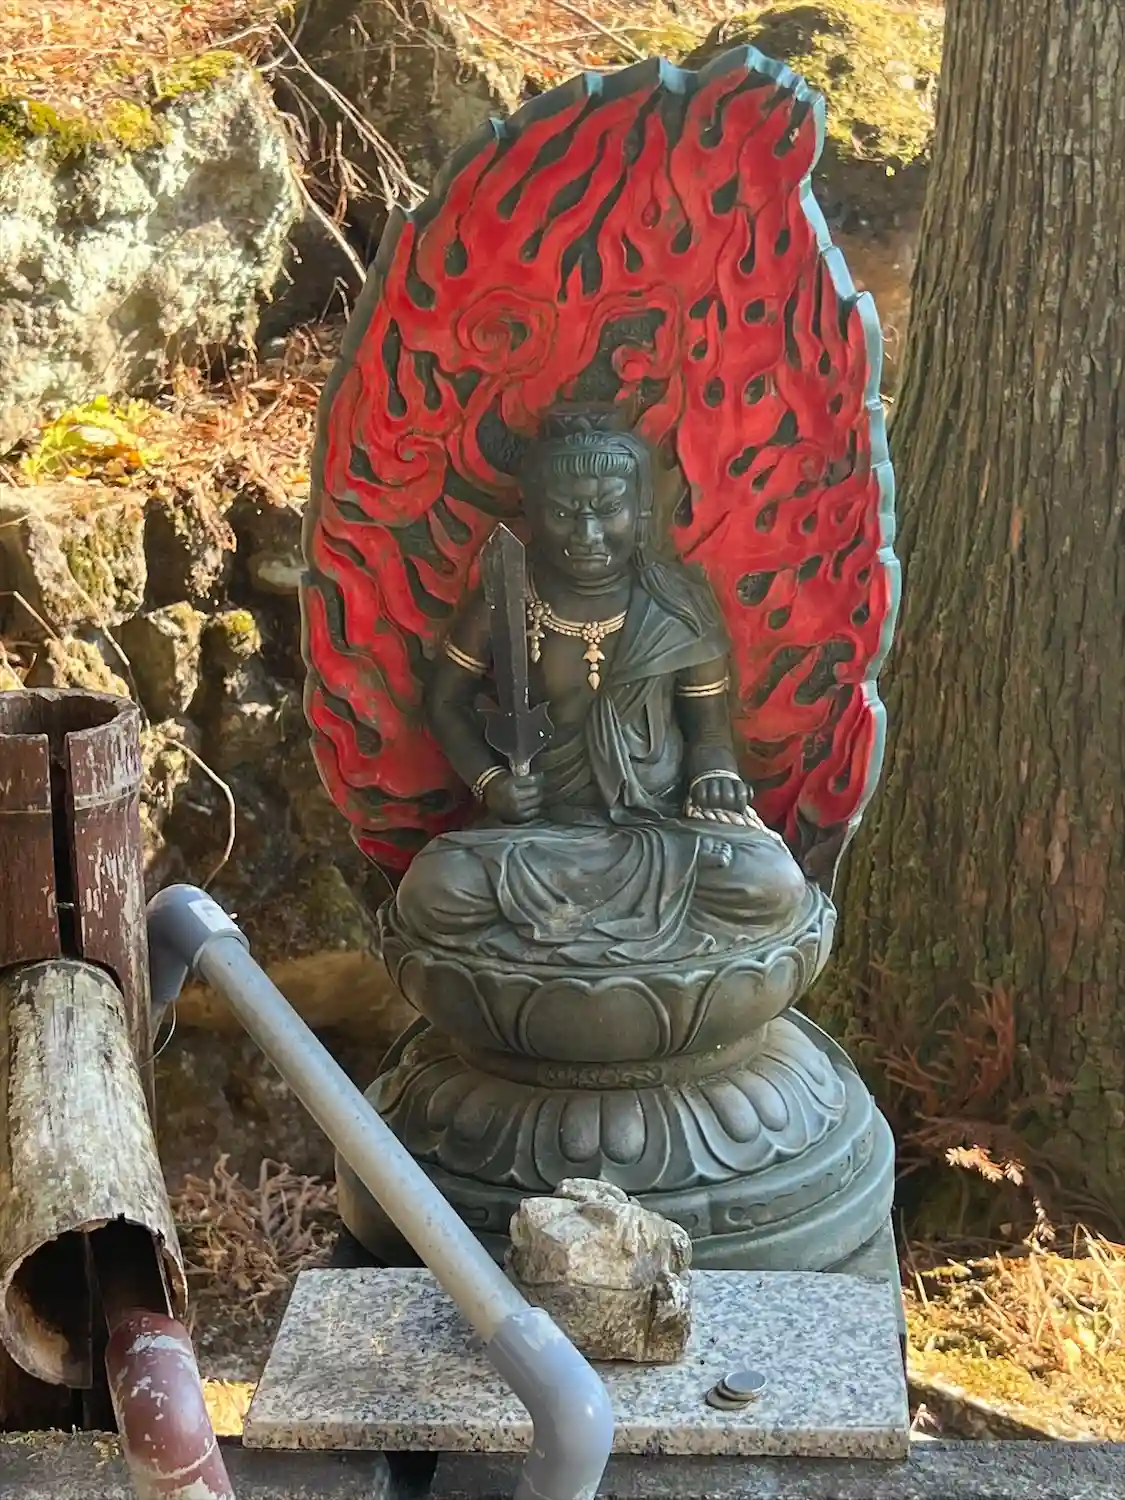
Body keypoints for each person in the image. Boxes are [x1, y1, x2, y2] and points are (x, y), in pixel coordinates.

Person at [393, 409, 811, 966]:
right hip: (542, 836)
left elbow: (709, 733)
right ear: (533, 513)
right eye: (563, 513)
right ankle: (624, 953)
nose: (587, 535)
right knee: (435, 887)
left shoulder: (677, 605)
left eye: (608, 510)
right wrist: (491, 783)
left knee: (772, 883)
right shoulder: (511, 595)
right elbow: (445, 700)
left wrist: (714, 778)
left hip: (663, 835)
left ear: (641, 512)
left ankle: (557, 951)